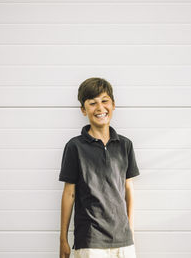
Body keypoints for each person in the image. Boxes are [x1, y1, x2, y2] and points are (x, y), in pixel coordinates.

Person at [59, 77, 140, 258]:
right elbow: (69, 194)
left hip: (123, 241)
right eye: (92, 103)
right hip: (90, 241)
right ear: (83, 109)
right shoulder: (75, 147)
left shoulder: (125, 145)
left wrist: (131, 231)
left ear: (113, 105)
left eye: (105, 101)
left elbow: (128, 189)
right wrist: (63, 239)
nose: (100, 108)